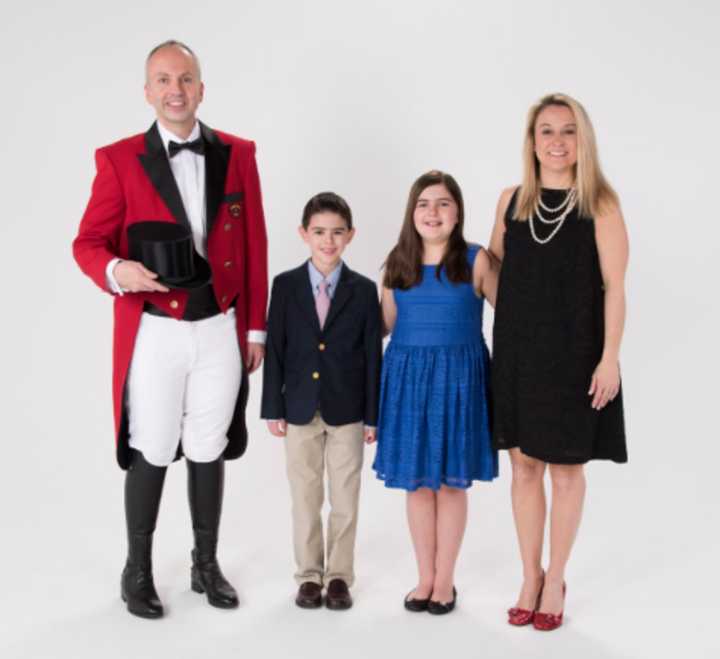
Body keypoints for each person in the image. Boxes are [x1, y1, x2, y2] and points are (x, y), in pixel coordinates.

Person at [72, 40, 268, 619]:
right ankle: (137, 570)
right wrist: (117, 271)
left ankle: (204, 564)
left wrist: (254, 329)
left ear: (201, 88)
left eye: (185, 79)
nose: (175, 89)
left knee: (209, 447)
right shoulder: (118, 159)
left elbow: (254, 240)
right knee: (152, 447)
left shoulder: (240, 152)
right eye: (163, 80)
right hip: (155, 330)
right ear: (148, 92)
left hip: (221, 328)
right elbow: (87, 243)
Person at [489, 93, 628, 631]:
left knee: (567, 469)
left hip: (577, 355)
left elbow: (615, 288)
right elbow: (499, 273)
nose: (556, 141)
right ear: (532, 141)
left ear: (582, 140)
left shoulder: (603, 205)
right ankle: (529, 573)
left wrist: (609, 358)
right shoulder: (511, 201)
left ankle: (556, 577)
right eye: (546, 131)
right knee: (524, 466)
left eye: (567, 131)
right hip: (520, 355)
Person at [373, 170, 498, 615]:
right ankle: (424, 576)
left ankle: (445, 580)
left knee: (449, 485)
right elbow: (383, 327)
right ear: (412, 212)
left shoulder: (477, 260)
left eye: (443, 203)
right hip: (407, 383)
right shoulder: (397, 263)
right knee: (418, 486)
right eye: (424, 203)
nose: (433, 212)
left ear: (457, 211)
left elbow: (516, 318)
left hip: (460, 382)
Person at [261, 192, 382, 610]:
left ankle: (339, 577)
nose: (327, 241)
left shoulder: (364, 290)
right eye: (319, 232)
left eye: (336, 233)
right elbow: (275, 347)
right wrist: (272, 408)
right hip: (298, 407)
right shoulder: (286, 285)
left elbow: (372, 355)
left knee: (346, 497)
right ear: (303, 234)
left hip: (348, 410)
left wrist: (373, 416)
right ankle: (309, 575)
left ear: (350, 236)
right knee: (305, 496)